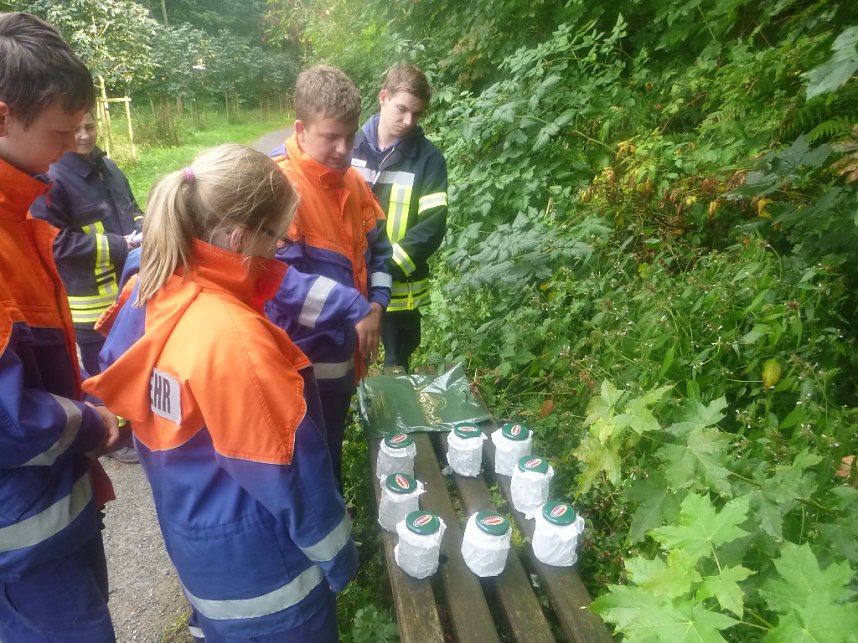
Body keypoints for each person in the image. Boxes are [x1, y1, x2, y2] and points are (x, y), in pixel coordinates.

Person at [84, 144, 358, 642]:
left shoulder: (146, 292)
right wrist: (340, 557)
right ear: (239, 236)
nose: (280, 249)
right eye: (277, 237)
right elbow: (289, 469)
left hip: (199, 555)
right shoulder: (235, 340)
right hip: (271, 579)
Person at [0, 11, 120, 642]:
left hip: (50, 518)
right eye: (60, 131)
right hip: (21, 546)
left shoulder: (18, 205)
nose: (74, 145)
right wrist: (90, 423)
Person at [266, 65, 392, 489]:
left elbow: (381, 252)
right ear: (301, 130)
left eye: (350, 136)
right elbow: (278, 285)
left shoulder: (354, 183)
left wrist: (376, 304)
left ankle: (336, 520)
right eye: (330, 137)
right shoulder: (277, 189)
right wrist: (357, 310)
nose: (343, 149)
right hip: (297, 365)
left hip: (341, 359)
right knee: (300, 462)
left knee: (331, 450)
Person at [30, 110, 143, 464]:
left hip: (126, 292)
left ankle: (136, 425)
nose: (84, 135)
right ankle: (115, 435)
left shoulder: (109, 169)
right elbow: (55, 243)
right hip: (88, 301)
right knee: (102, 373)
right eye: (75, 129)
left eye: (89, 127)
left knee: (131, 362)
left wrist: (145, 228)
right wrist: (122, 245)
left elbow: (133, 210)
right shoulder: (52, 178)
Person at [351, 63, 448, 373]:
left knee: (396, 370)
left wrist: (382, 268)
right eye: (402, 109)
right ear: (383, 97)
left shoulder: (429, 160)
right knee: (346, 367)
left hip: (400, 294)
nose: (408, 122)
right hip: (348, 284)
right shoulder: (348, 147)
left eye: (417, 114)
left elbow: (431, 228)